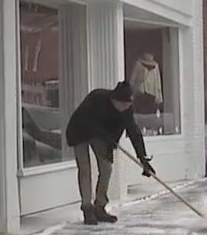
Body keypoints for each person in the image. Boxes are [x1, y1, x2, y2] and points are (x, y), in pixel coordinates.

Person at [65, 81, 155, 225]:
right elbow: (86, 121)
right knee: (85, 169)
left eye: (129, 104)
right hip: (79, 131)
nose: (127, 107)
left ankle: (99, 207)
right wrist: (106, 136)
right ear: (115, 100)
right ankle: (87, 208)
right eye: (124, 104)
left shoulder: (126, 109)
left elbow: (134, 132)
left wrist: (142, 158)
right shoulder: (97, 98)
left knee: (106, 168)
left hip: (101, 135)